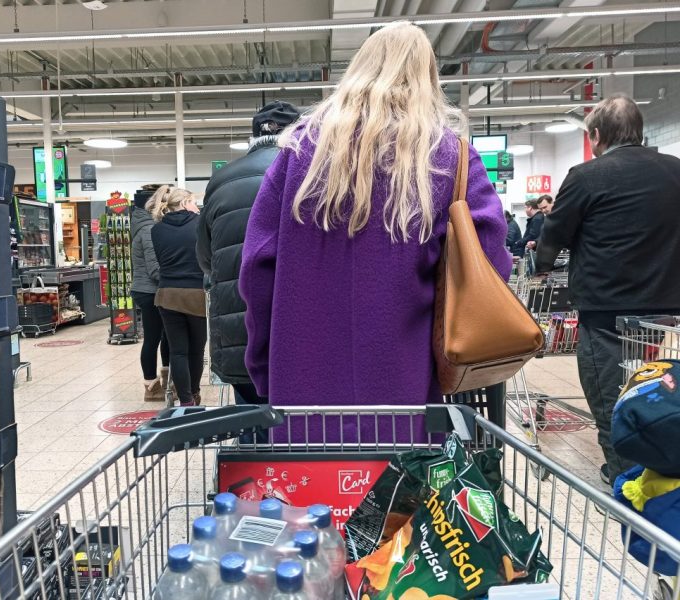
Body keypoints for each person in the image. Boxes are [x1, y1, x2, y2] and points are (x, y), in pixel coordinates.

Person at [239, 21, 510, 443]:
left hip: (301, 391)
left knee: (306, 505)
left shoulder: (296, 153)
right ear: (428, 79)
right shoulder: (449, 157)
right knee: (400, 503)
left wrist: (263, 366)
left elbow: (257, 268)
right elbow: (490, 261)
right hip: (404, 387)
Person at [536, 94, 680, 485]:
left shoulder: (586, 176)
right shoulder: (675, 170)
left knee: (610, 400)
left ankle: (627, 490)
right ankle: (659, 472)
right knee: (659, 391)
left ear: (596, 135)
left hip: (607, 311)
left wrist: (542, 268)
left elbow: (554, 233)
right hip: (668, 310)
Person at [196, 101, 301, 410]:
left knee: (249, 422)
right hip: (295, 325)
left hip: (237, 324)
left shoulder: (222, 179)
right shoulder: (312, 173)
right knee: (303, 429)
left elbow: (205, 257)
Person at [150, 185, 207, 407]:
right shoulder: (199, 225)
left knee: (178, 351)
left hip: (167, 295)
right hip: (196, 294)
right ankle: (195, 391)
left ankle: (185, 400)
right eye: (193, 202)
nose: (197, 207)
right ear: (184, 203)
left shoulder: (156, 230)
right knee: (196, 350)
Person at [131, 185, 170, 402]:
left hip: (151, 289)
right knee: (153, 338)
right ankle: (151, 387)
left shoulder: (145, 225)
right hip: (149, 291)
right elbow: (154, 267)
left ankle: (165, 379)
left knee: (164, 336)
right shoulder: (148, 229)